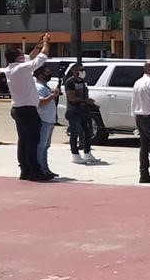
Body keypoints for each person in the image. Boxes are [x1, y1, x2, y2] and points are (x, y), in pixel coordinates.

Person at [6, 33, 52, 181]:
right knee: (33, 141)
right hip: (28, 110)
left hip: (18, 109)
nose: (24, 56)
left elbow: (30, 57)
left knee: (23, 141)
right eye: (21, 55)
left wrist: (38, 45)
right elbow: (41, 57)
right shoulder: (21, 69)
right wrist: (46, 43)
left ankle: (25, 170)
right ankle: (35, 171)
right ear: (18, 58)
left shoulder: (11, 69)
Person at [62, 62, 99, 165]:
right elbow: (71, 97)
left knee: (88, 132)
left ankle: (87, 153)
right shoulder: (70, 82)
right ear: (74, 71)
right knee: (75, 133)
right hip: (74, 111)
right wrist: (85, 100)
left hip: (84, 110)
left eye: (83, 70)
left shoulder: (83, 82)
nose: (83, 72)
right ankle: (75, 155)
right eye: (81, 70)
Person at [33, 63, 61, 178]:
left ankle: (45, 168)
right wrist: (53, 96)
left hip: (49, 120)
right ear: (40, 75)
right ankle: (40, 169)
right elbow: (40, 103)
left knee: (45, 146)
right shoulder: (38, 87)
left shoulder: (44, 86)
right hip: (43, 120)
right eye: (47, 72)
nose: (49, 74)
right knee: (41, 147)